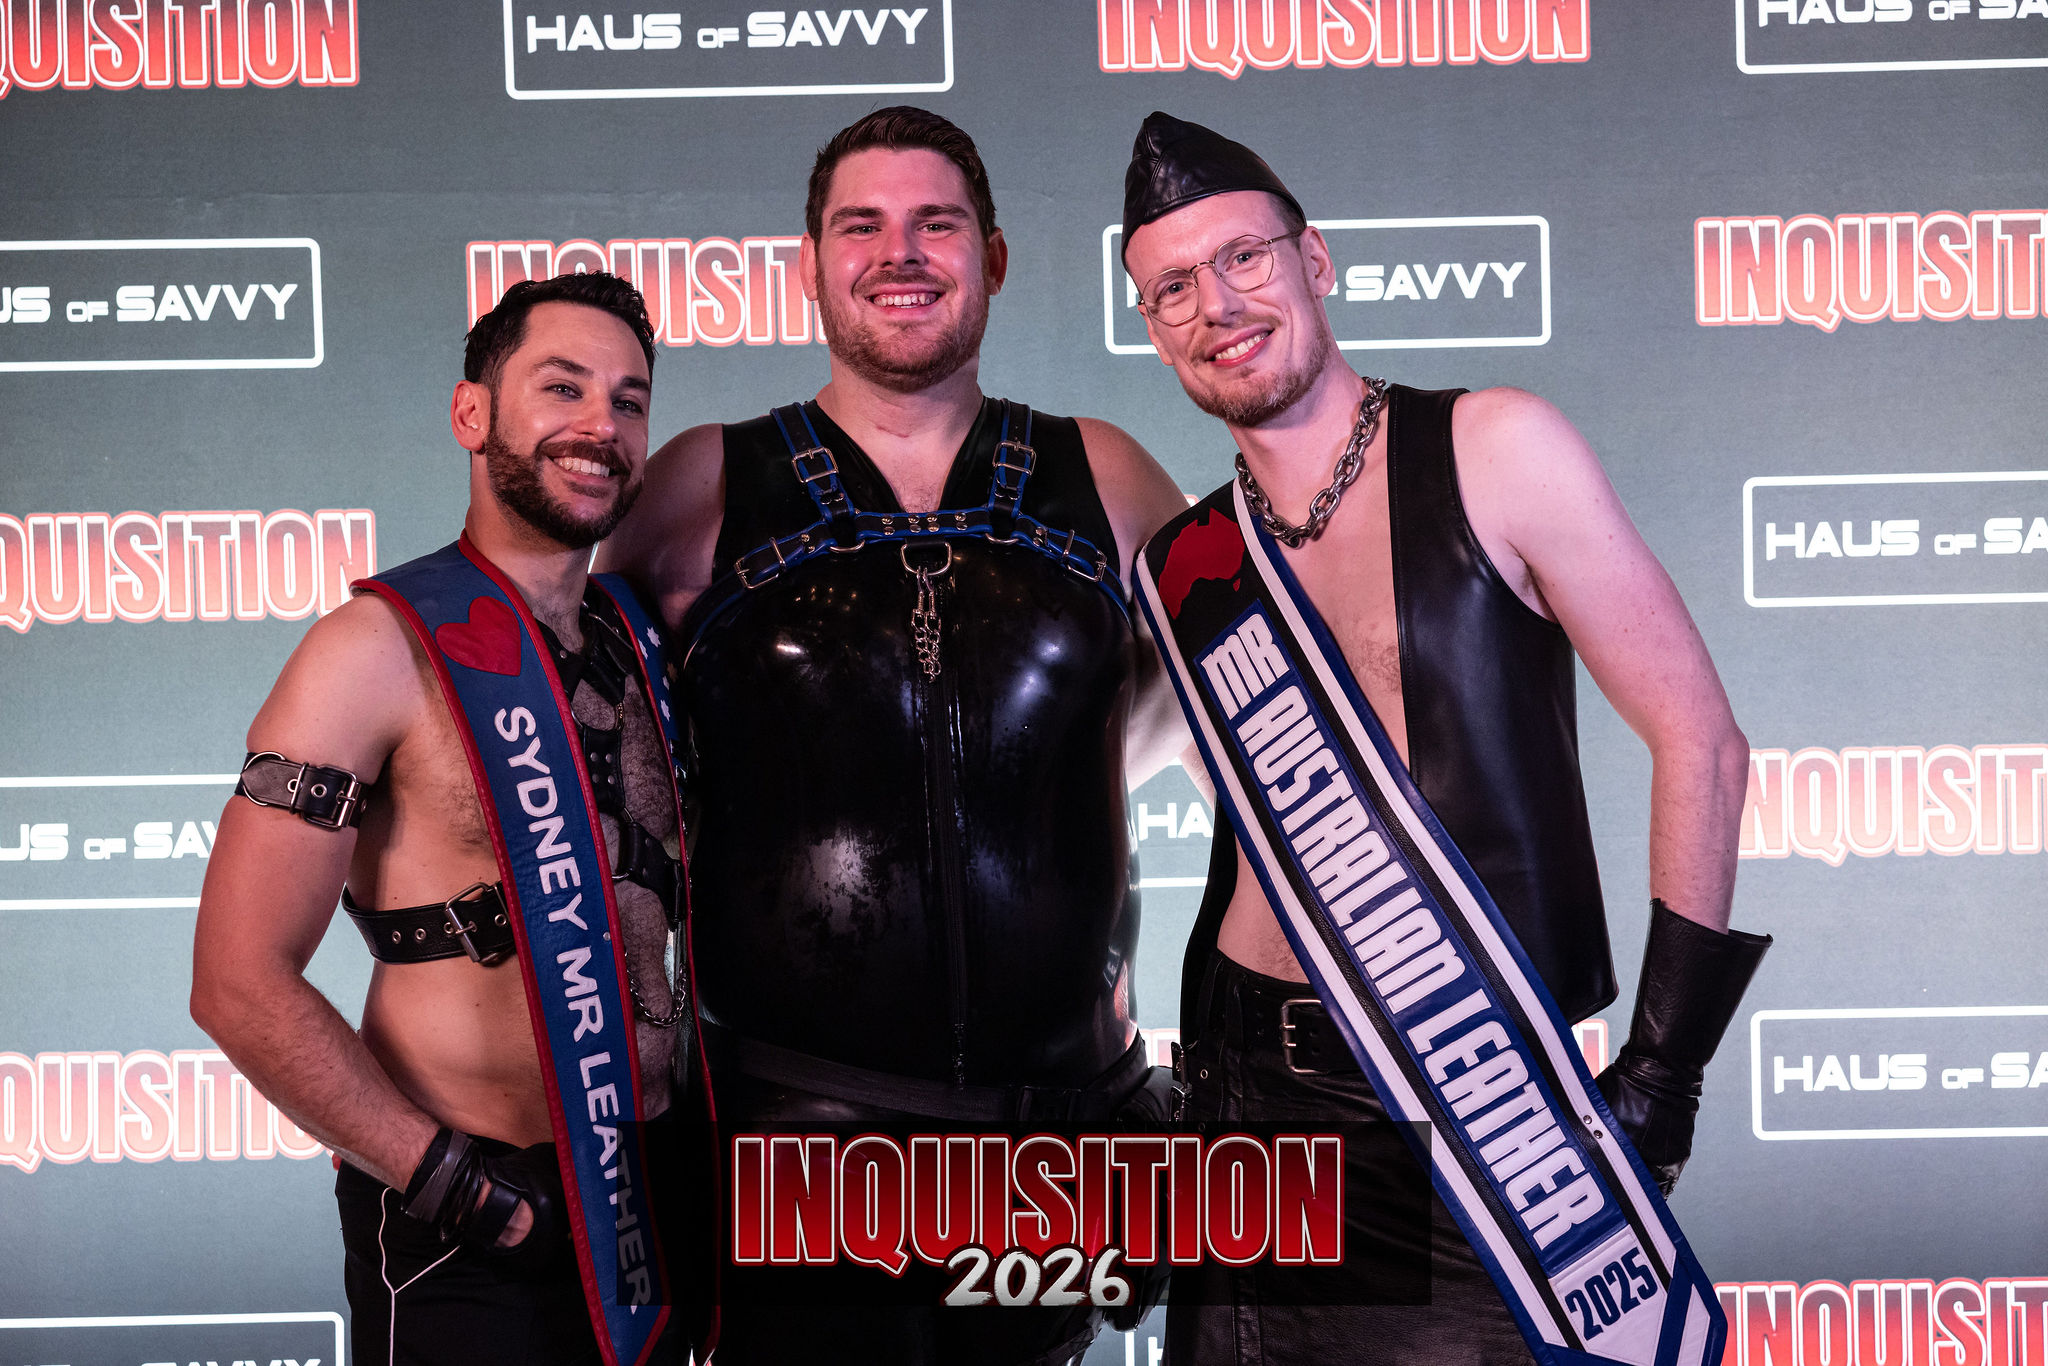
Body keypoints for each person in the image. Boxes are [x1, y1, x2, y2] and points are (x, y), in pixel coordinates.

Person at [1118, 112, 1771, 1365]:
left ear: (1314, 260)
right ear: (1152, 329)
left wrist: (1663, 1074)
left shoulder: (1493, 447)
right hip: (1240, 1108)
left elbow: (1701, 742)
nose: (1216, 306)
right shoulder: (1185, 564)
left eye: (1242, 258)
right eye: (1173, 289)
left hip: (1469, 1105)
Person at [596, 106, 1191, 1366]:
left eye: (937, 223)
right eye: (860, 226)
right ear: (810, 266)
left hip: (1050, 1151)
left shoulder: (1105, 475)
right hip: (788, 1148)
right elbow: (571, 750)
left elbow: (1241, 730)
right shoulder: (701, 484)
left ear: (995, 257)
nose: (899, 253)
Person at [191, 272, 707, 1366]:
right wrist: (462, 1193)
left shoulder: (647, 644)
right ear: (472, 413)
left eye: (627, 400)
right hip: (473, 1223)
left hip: (646, 1204)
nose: (600, 425)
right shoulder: (371, 651)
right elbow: (237, 982)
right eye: (560, 387)